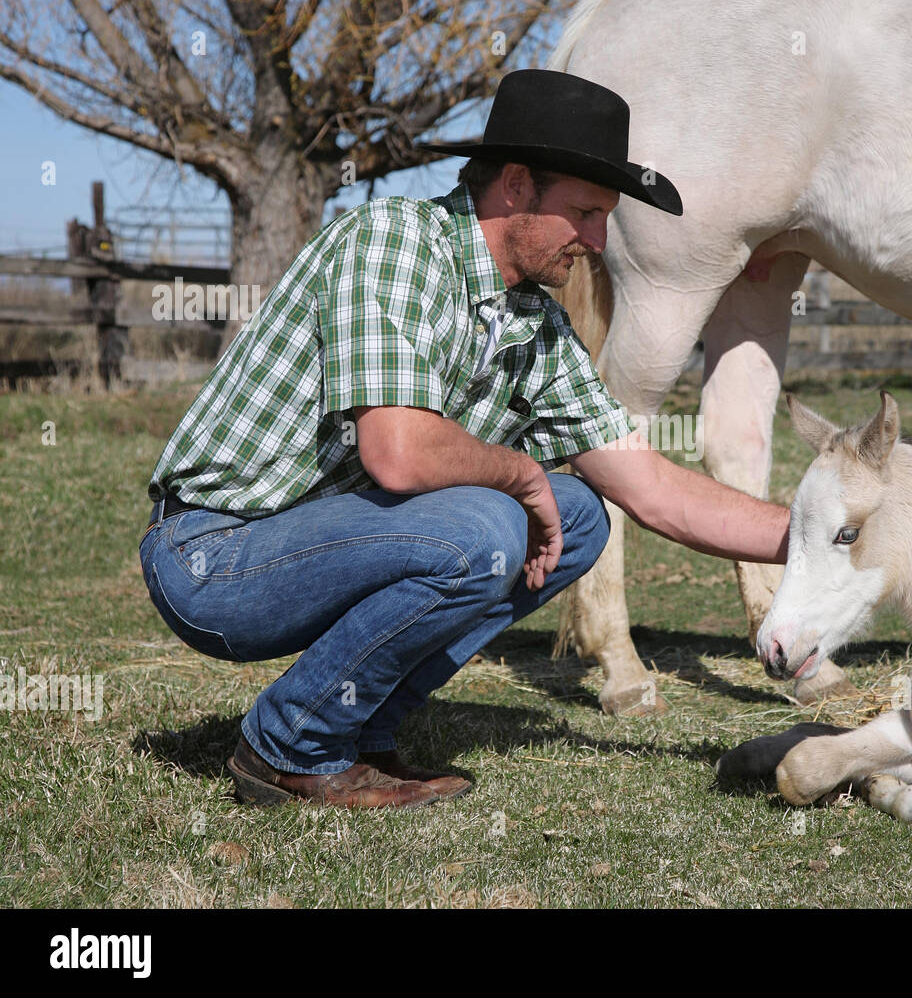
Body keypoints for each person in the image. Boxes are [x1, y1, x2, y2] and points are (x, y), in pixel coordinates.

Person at [139, 69, 789, 809]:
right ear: (515, 185)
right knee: (485, 527)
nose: (600, 241)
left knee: (578, 514)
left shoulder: (533, 325)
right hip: (215, 556)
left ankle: (360, 725)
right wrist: (518, 472)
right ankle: (289, 745)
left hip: (322, 539)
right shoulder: (392, 243)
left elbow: (652, 489)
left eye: (606, 217)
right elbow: (400, 451)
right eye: (585, 211)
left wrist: (814, 536)